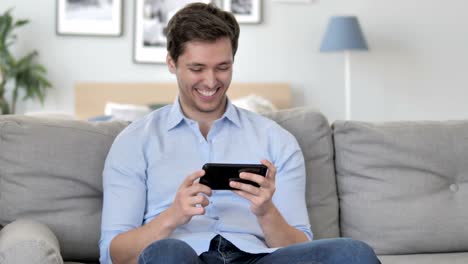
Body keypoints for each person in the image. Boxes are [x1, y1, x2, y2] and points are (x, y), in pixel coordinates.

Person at [99, 3, 381, 264]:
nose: (211, 82)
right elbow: (112, 254)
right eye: (197, 68)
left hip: (258, 258)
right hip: (182, 257)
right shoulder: (134, 142)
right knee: (166, 251)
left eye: (222, 67)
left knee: (354, 253)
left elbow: (299, 246)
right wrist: (173, 216)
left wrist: (266, 211)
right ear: (171, 63)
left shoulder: (276, 140)